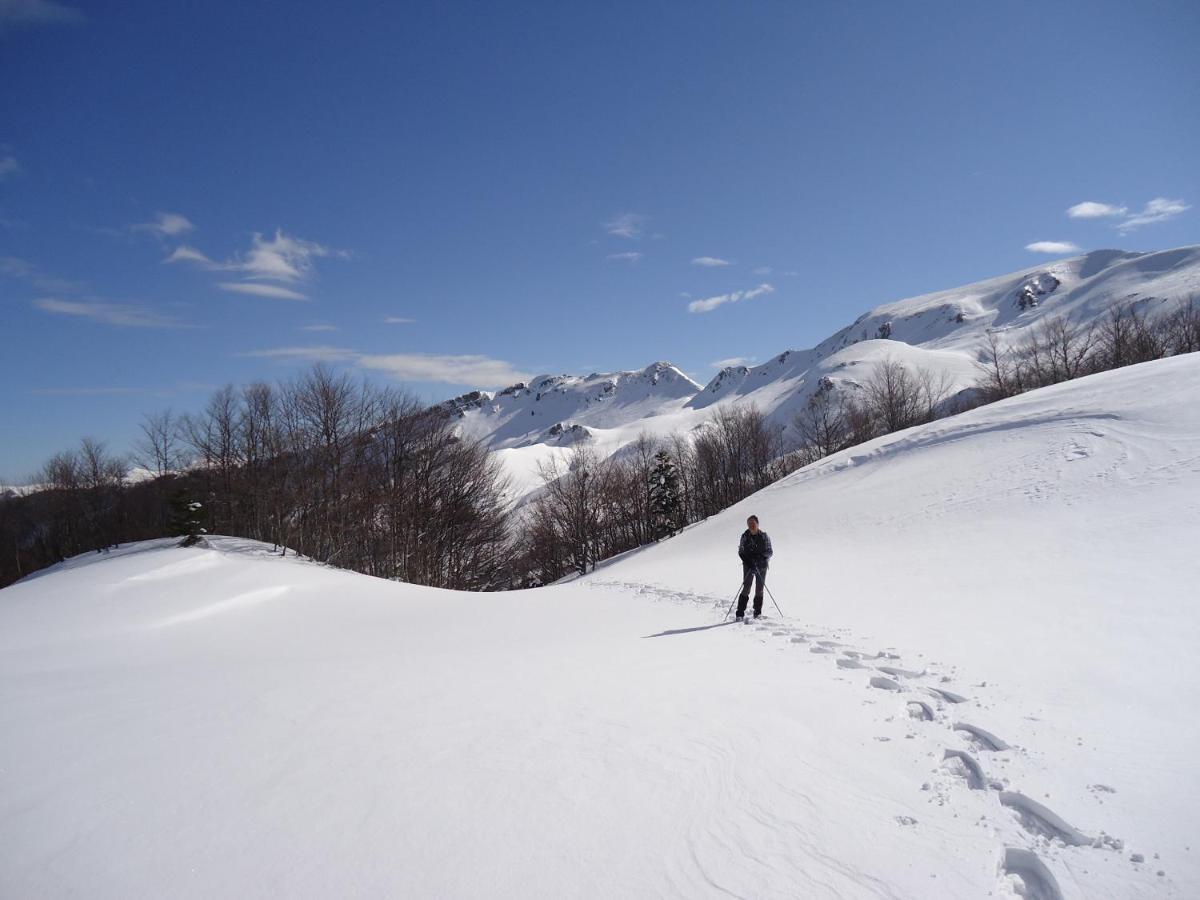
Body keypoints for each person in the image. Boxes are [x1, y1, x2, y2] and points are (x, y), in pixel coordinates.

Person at [736, 515, 773, 620]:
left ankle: (757, 612)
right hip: (748, 565)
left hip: (762, 566)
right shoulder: (744, 536)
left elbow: (770, 551)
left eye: (753, 523)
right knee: (746, 587)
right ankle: (739, 613)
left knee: (759, 589)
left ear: (757, 524)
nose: (751, 525)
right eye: (749, 523)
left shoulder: (764, 536)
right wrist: (749, 562)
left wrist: (760, 558)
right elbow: (741, 551)